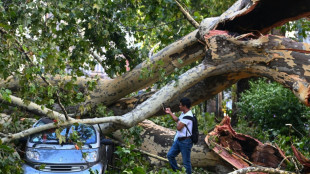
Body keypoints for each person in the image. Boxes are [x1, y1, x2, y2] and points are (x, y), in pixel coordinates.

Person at [165, 97, 194, 174]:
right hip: (179, 140)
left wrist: (179, 123)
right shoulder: (183, 114)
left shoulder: (188, 116)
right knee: (170, 155)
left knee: (186, 163)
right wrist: (170, 112)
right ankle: (177, 172)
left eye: (180, 105)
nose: (179, 106)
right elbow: (178, 120)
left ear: (184, 106)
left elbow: (178, 128)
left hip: (186, 141)